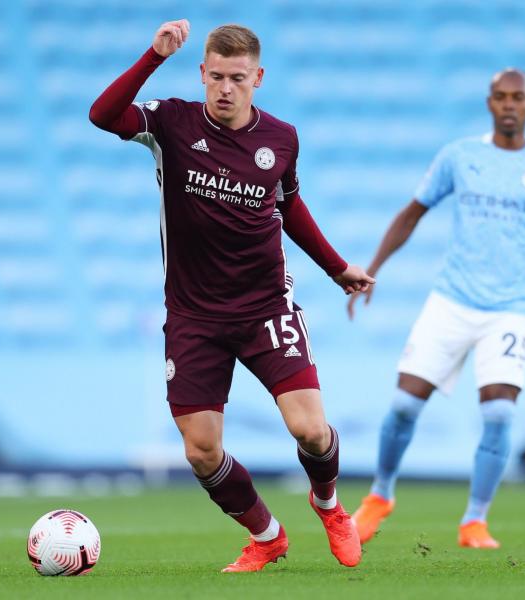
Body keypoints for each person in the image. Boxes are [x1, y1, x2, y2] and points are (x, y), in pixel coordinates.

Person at [89, 20, 374, 572]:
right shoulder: (169, 122)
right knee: (200, 451)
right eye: (215, 76)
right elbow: (102, 116)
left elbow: (289, 206)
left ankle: (330, 506)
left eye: (237, 78)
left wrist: (337, 268)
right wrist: (154, 55)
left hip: (266, 308)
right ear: (201, 73)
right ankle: (267, 536)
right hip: (193, 317)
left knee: (312, 431)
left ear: (258, 78)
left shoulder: (282, 138)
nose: (225, 88)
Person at [348, 69, 525, 549]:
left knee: (501, 416)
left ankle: (474, 521)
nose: (509, 105)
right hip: (450, 302)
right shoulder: (459, 157)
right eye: (501, 97)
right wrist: (374, 266)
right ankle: (380, 496)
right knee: (403, 405)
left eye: (518, 98)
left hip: (508, 311)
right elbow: (411, 213)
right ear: (490, 103)